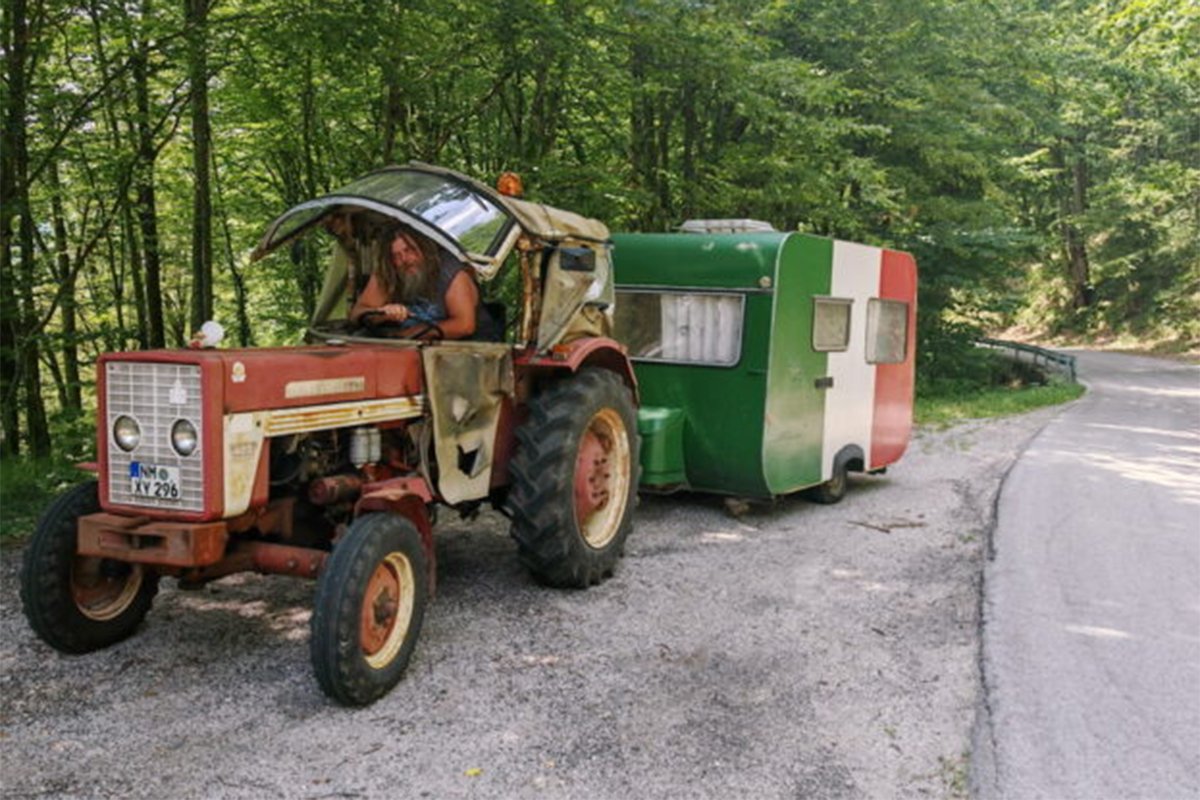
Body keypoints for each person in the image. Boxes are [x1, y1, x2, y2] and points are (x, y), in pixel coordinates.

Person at [350, 226, 479, 340]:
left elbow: (464, 325)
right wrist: (381, 314)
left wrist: (412, 333)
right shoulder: (388, 273)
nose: (405, 260)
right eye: (396, 256)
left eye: (409, 250)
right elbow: (357, 313)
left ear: (423, 248)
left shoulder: (450, 271)